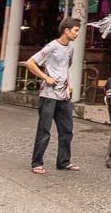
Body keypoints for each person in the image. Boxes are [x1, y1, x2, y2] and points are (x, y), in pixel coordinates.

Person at [26, 18, 81, 174]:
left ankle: (64, 162)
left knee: (67, 130)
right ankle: (37, 163)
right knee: (44, 130)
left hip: (63, 96)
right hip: (48, 95)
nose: (77, 33)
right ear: (66, 30)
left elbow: (66, 66)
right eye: (76, 30)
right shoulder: (52, 46)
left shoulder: (71, 48)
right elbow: (30, 63)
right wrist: (46, 77)